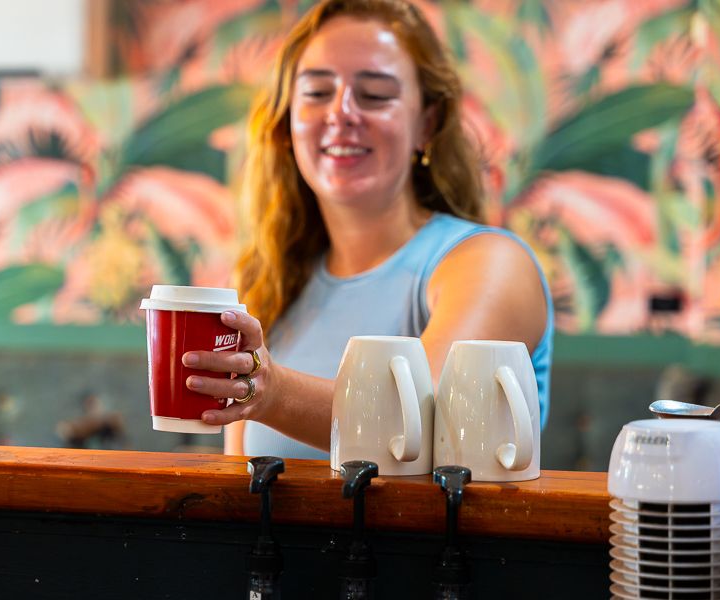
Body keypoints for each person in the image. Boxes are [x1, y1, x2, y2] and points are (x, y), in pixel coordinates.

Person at [181, 0, 553, 458]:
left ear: (426, 124)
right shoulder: (269, 283)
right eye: (317, 92)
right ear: (287, 123)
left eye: (375, 95)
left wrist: (270, 393)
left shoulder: (491, 264)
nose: (342, 112)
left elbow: (429, 425)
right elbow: (243, 483)